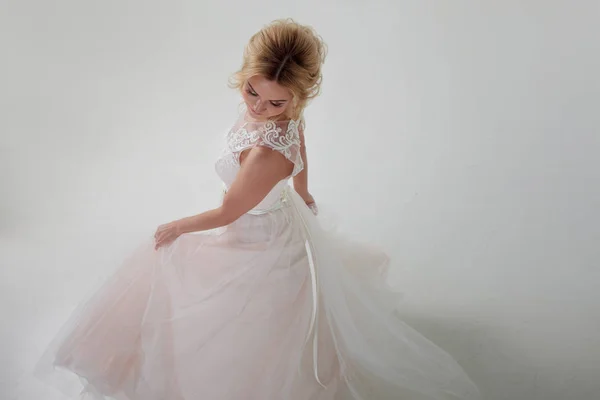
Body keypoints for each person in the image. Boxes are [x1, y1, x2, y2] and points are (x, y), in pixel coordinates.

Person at [35, 19, 481, 400]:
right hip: (268, 215)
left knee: (205, 294)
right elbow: (300, 142)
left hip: (257, 235)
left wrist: (179, 226)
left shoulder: (269, 152)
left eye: (275, 103)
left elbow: (229, 211)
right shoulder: (282, 118)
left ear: (297, 99)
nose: (259, 108)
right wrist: (303, 190)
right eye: (252, 93)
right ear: (246, 76)